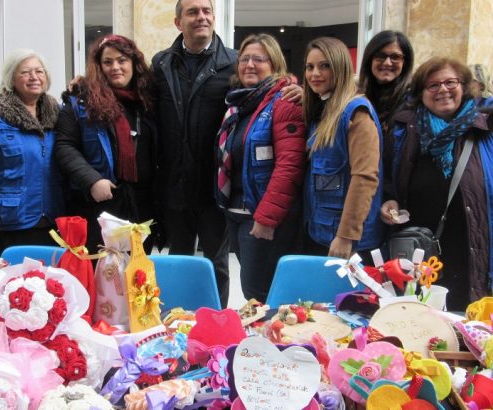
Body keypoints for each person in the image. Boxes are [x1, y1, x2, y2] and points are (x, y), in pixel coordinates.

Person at [381, 57, 493, 310]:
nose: (442, 90)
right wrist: (389, 200)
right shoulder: (403, 132)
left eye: (450, 82)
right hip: (419, 250)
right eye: (432, 85)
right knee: (420, 319)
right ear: (421, 93)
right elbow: (387, 178)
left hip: (475, 246)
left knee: (469, 318)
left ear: (464, 86)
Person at [151, 0, 238, 308]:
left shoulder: (235, 63)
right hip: (175, 184)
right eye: (192, 12)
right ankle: (178, 323)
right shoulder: (161, 64)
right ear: (178, 23)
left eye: (206, 11)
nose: (201, 17)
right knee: (179, 262)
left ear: (214, 18)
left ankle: (217, 326)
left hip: (215, 186)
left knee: (216, 263)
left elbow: (263, 93)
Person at [215, 33, 306, 302]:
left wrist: (266, 219)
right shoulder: (239, 103)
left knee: (259, 292)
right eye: (245, 59)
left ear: (274, 63)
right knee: (255, 290)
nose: (250, 65)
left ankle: (271, 342)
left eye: (259, 59)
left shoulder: (285, 101)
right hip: (237, 211)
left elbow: (289, 166)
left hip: (264, 216)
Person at [55, 34, 157, 253]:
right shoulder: (81, 102)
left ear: (133, 63)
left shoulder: (147, 102)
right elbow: (65, 147)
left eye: (122, 60)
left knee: (137, 277)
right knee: (101, 272)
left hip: (141, 204)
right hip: (100, 203)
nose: (115, 67)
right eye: (108, 62)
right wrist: (92, 180)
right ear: (98, 67)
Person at [0, 49, 64, 259]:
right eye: (25, 72)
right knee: (10, 287)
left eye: (39, 71)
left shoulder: (58, 113)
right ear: (11, 79)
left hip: (54, 220)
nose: (34, 77)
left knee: (53, 286)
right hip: (9, 222)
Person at [302, 37, 383, 260]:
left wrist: (346, 236)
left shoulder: (356, 112)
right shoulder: (324, 109)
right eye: (310, 67)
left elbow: (365, 177)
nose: (315, 74)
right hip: (321, 231)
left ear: (340, 67)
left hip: (347, 241)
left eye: (324, 65)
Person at [358, 30, 414, 134]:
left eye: (395, 57)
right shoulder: (356, 98)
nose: (387, 63)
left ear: (405, 63)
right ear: (370, 59)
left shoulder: (414, 100)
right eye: (380, 55)